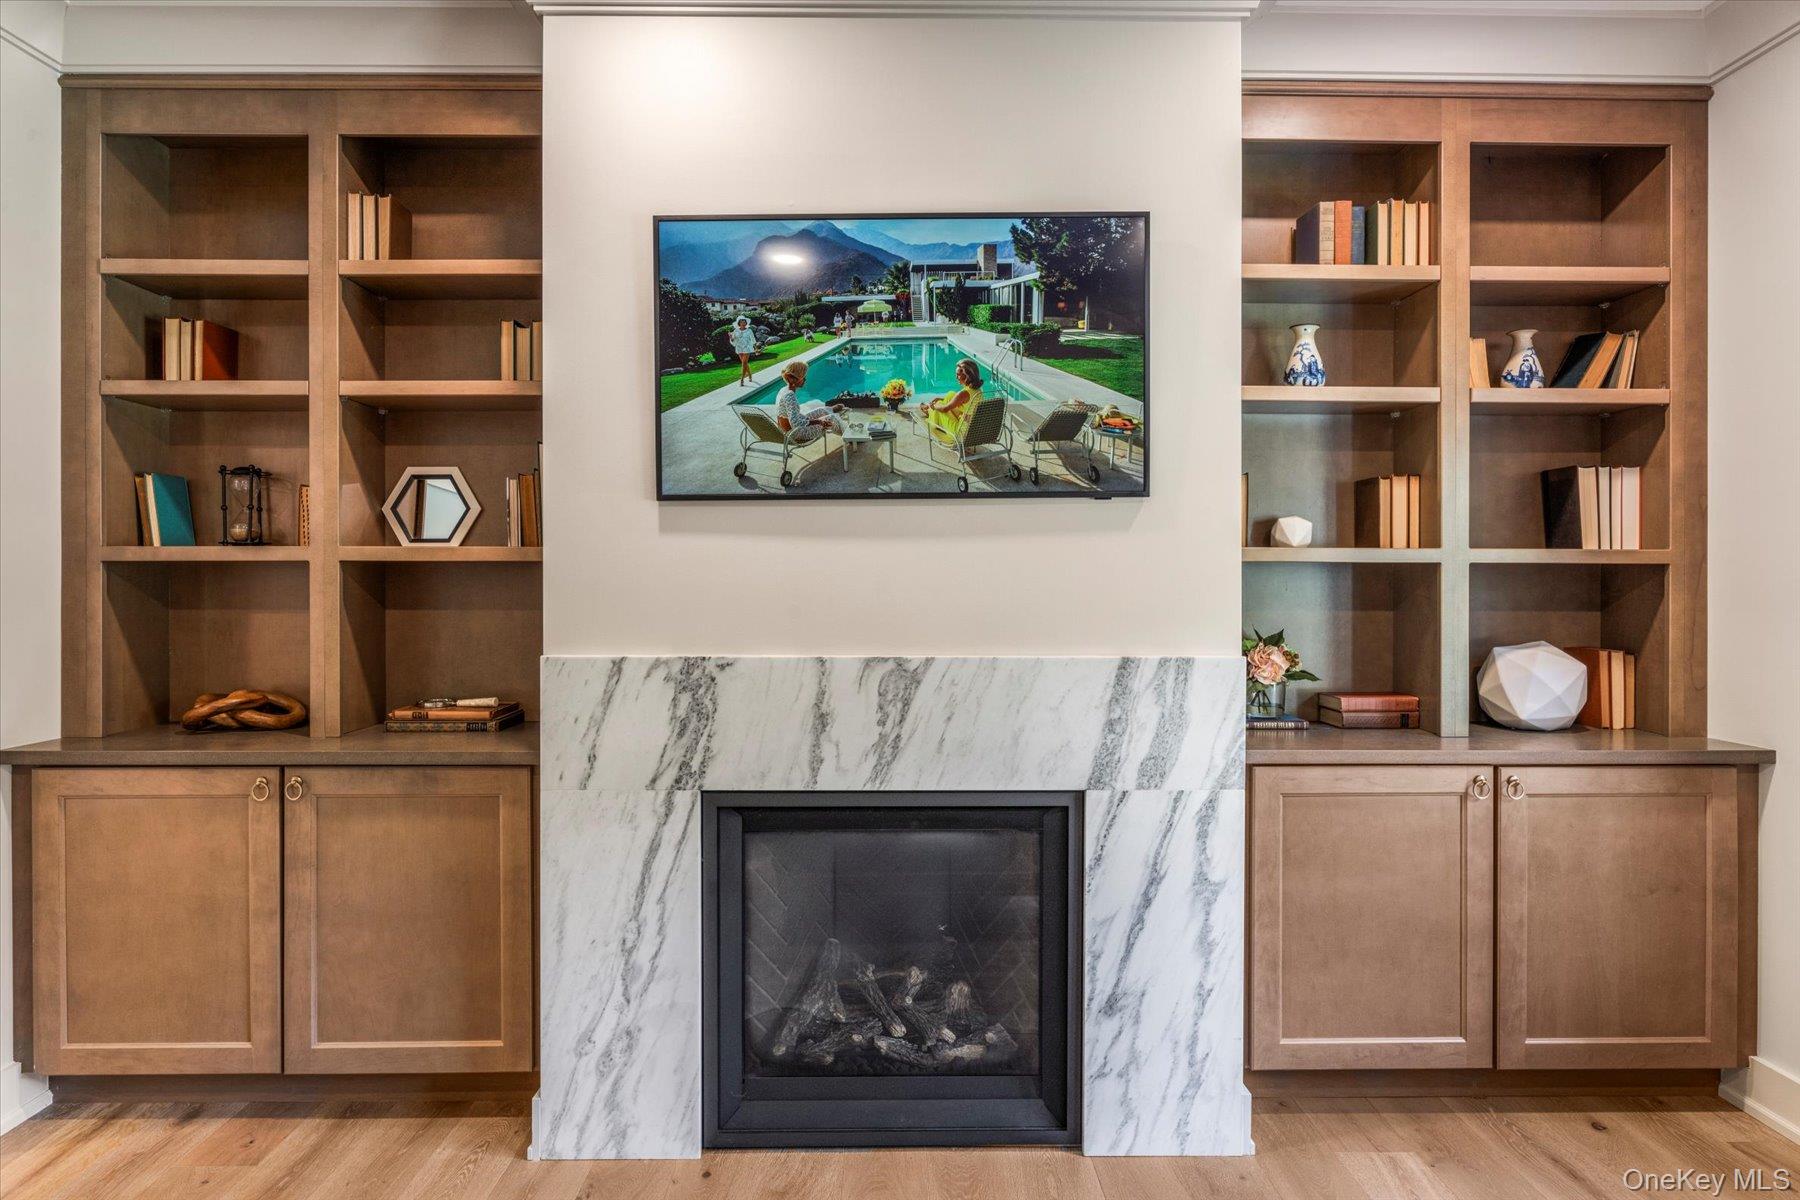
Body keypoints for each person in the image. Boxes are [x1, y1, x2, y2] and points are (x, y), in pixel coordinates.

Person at [772, 360, 844, 448]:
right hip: (796, 434)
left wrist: (809, 419)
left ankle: (830, 409)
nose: (805, 380)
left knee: (821, 410)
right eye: (803, 377)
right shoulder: (790, 396)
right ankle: (849, 436)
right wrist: (819, 421)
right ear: (793, 379)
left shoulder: (783, 390)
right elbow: (795, 423)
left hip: (788, 430)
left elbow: (790, 416)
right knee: (831, 418)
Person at [918, 358, 984, 443]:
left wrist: (934, 406)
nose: (956, 377)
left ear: (967, 376)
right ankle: (929, 409)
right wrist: (941, 400)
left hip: (960, 433)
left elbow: (945, 409)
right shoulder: (978, 390)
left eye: (958, 375)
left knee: (939, 406)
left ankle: (929, 410)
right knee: (951, 394)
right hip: (973, 429)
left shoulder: (964, 393)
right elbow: (958, 401)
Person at [729, 316, 757, 386]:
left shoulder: (749, 330)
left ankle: (742, 379)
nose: (743, 323)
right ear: (739, 323)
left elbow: (753, 339)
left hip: (747, 348)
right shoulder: (736, 331)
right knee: (745, 363)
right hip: (739, 348)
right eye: (742, 321)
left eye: (744, 321)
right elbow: (733, 341)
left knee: (744, 363)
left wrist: (755, 346)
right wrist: (731, 338)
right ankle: (750, 375)